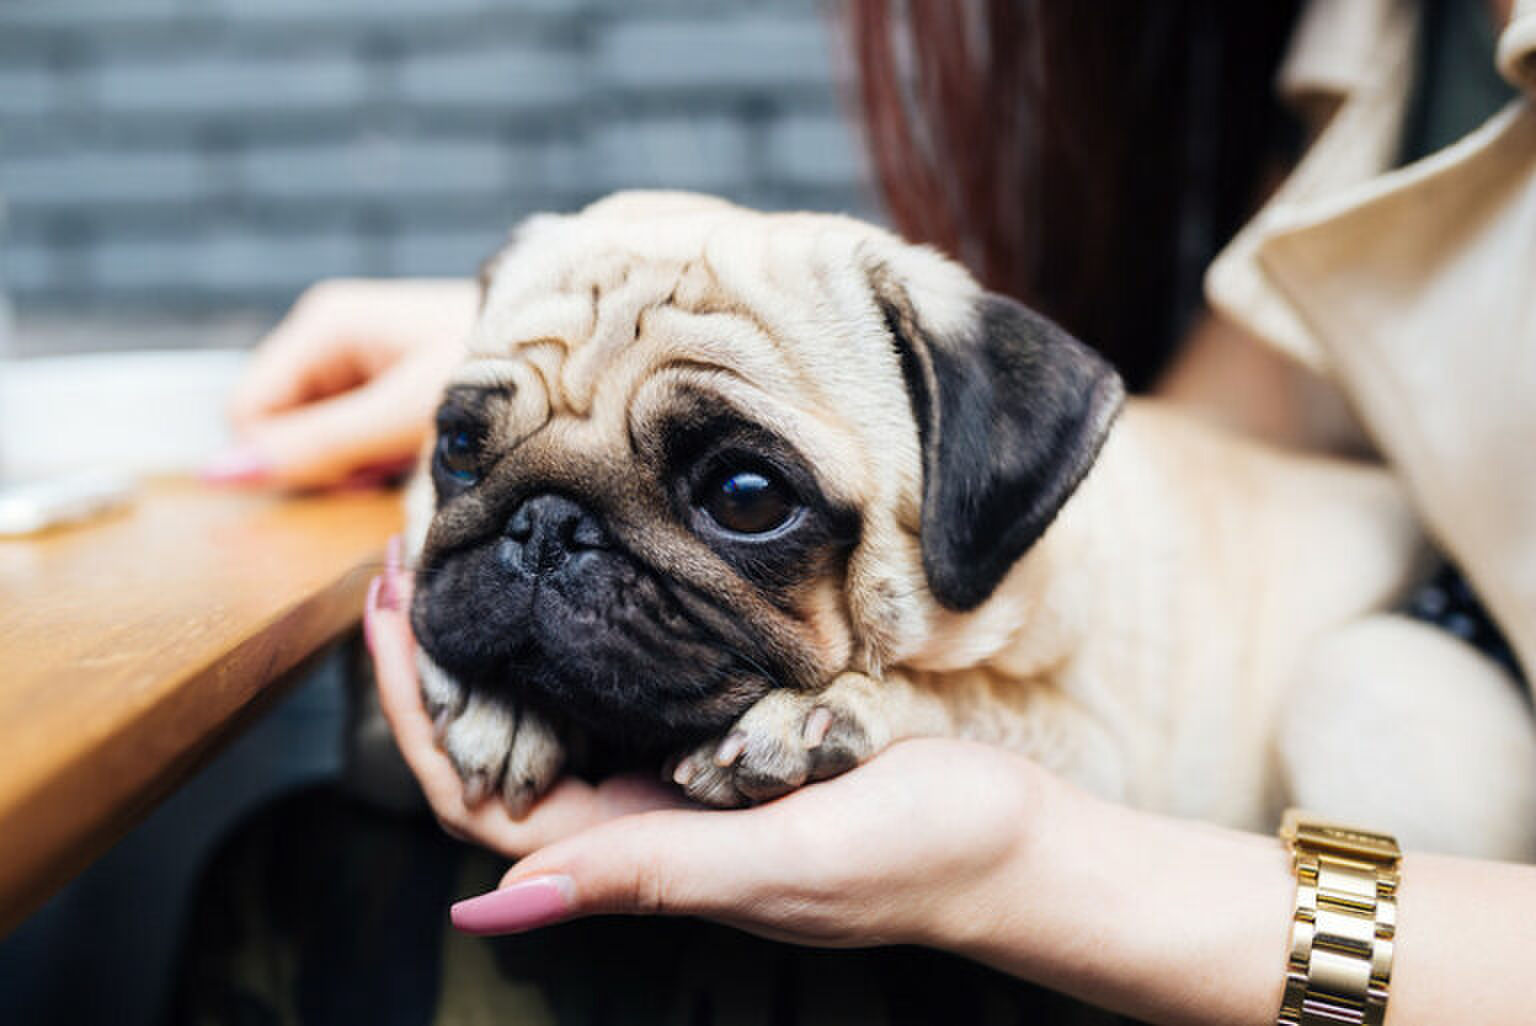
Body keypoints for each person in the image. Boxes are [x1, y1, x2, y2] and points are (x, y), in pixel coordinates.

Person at [215, 1, 1536, 1023]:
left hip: (1398, 839)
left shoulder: (1031, 559)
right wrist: (590, 363)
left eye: (744, 495)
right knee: (292, 861)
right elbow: (1268, 391)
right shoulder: (1385, 29)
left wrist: (1018, 853)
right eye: (480, 444)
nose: (556, 538)